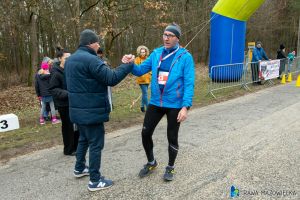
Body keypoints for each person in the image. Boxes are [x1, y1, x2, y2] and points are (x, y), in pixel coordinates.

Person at [64, 29, 134, 191]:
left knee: (83, 138)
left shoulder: (70, 60)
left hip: (77, 110)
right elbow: (111, 78)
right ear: (91, 43)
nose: (99, 45)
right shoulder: (92, 60)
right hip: (91, 111)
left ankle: (79, 167)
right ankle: (95, 180)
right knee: (96, 143)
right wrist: (128, 66)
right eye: (98, 43)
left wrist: (120, 65)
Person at [129, 22, 195, 181]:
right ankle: (151, 162)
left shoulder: (185, 56)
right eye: (164, 35)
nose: (166, 38)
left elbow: (189, 83)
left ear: (177, 38)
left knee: (172, 137)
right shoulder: (156, 53)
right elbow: (139, 70)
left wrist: (185, 107)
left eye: (170, 35)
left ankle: (170, 167)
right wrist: (130, 63)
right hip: (155, 103)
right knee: (145, 133)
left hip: (175, 105)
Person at [49, 47, 79, 156]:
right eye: (66, 58)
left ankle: (76, 146)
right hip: (64, 104)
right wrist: (68, 94)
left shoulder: (71, 70)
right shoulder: (56, 73)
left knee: (77, 125)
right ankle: (69, 149)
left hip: (74, 102)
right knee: (68, 127)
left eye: (70, 58)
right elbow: (53, 89)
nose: (69, 60)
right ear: (60, 59)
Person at [135, 45, 151, 112]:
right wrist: (141, 75)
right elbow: (137, 69)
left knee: (144, 93)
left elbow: (151, 68)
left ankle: (142, 106)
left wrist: (151, 74)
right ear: (139, 52)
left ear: (146, 52)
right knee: (145, 93)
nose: (142, 53)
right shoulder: (137, 59)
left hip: (148, 79)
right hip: (141, 80)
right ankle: (148, 108)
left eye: (144, 52)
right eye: (141, 52)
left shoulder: (148, 59)